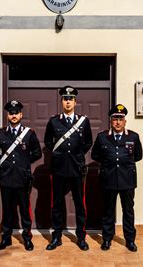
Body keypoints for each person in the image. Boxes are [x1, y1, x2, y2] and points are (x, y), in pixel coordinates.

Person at [44, 86, 93, 251]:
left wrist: (78, 155)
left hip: (77, 168)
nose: (67, 101)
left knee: (80, 204)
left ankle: (81, 237)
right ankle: (56, 236)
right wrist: (60, 155)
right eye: (65, 98)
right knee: (57, 204)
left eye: (70, 99)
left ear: (75, 101)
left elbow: (88, 142)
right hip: (58, 168)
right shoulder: (54, 121)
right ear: (62, 101)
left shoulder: (83, 121)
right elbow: (49, 142)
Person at [0, 100, 42, 251]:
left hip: (23, 178)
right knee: (7, 210)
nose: (13, 116)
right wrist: (2, 161)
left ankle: (27, 239)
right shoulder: (1, 133)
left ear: (21, 114)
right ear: (8, 115)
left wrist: (24, 163)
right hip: (6, 178)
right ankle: (6, 238)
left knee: (25, 211)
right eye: (11, 113)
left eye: (16, 113)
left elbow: (37, 153)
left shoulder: (29, 133)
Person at [91, 104, 143, 252]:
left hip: (127, 180)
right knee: (108, 211)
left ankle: (130, 240)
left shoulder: (133, 136)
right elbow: (95, 155)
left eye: (121, 119)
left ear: (125, 121)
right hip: (109, 179)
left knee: (128, 211)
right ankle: (107, 239)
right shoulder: (102, 137)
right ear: (111, 121)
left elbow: (138, 156)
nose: (118, 122)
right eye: (115, 119)